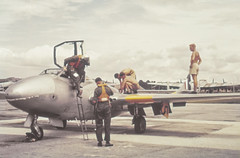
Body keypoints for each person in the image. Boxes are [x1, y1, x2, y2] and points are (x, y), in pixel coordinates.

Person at [91, 77, 114, 147]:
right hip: (107, 107)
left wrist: (92, 101)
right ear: (101, 81)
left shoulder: (97, 89)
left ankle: (100, 142)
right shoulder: (107, 88)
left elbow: (94, 100)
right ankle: (107, 142)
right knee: (107, 124)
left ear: (96, 82)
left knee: (98, 125)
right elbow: (112, 93)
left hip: (99, 107)